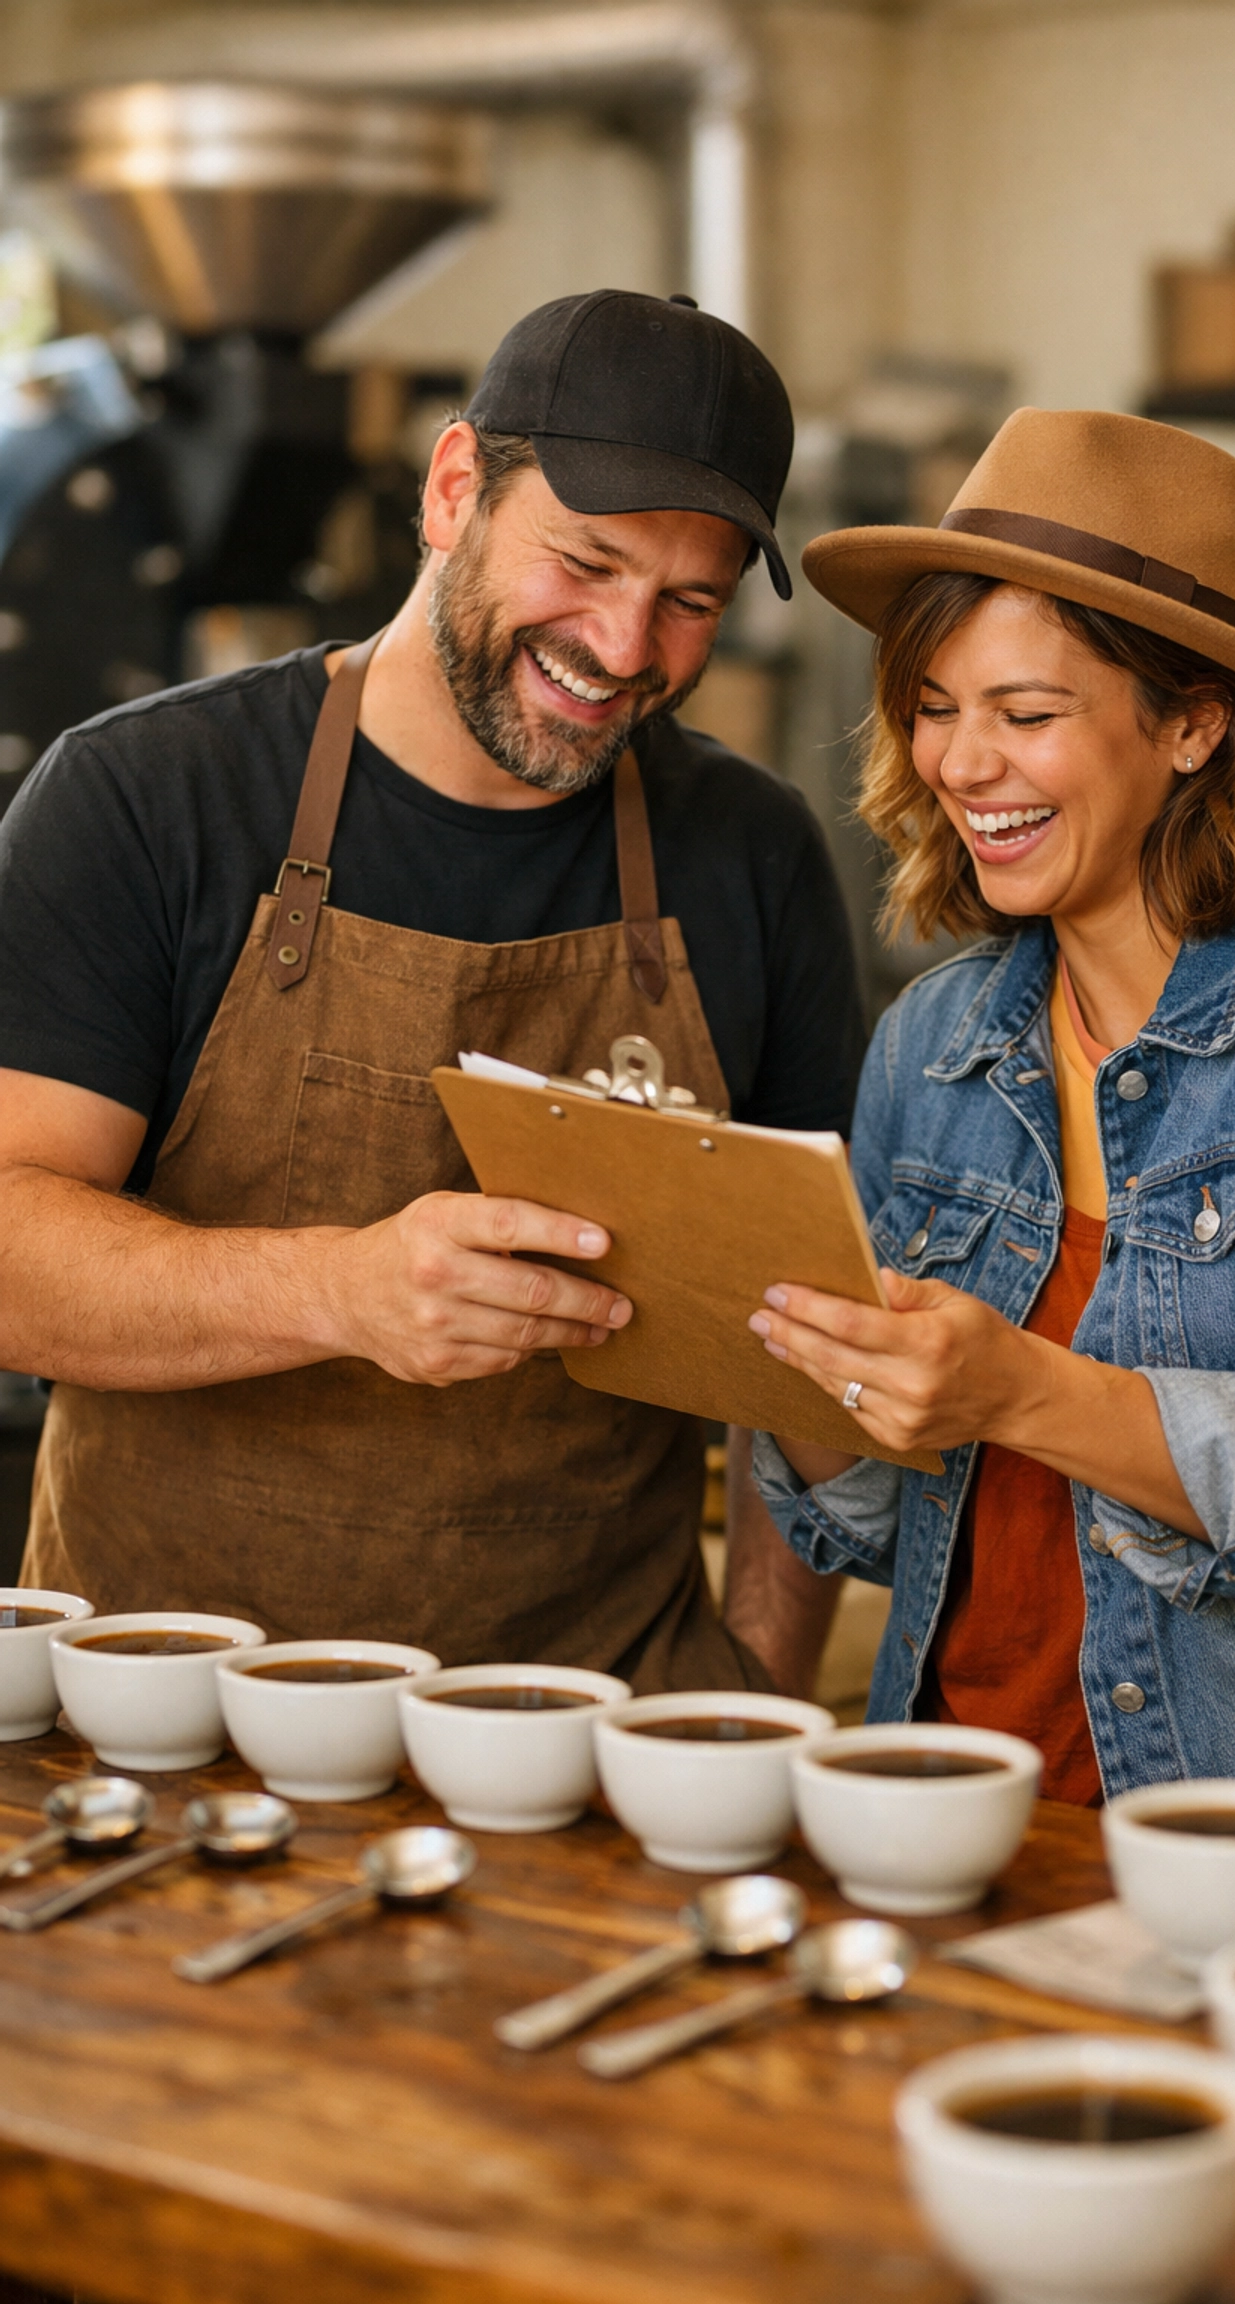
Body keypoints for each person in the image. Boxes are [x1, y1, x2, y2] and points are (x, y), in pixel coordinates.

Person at [0, 288, 861, 1691]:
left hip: (594, 1731)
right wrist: (341, 1291)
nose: (627, 649)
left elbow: (793, 1347)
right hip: (164, 1711)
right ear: (455, 488)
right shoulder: (148, 797)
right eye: (585, 563)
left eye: (687, 602)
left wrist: (746, 1700)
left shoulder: (750, 854)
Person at [750, 408, 1235, 1812]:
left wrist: (1024, 1390)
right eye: (934, 706)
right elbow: (881, 1524)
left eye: (1025, 714)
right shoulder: (935, 1038)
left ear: (1193, 722)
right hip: (954, 1814)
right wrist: (793, 1361)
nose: (959, 763)